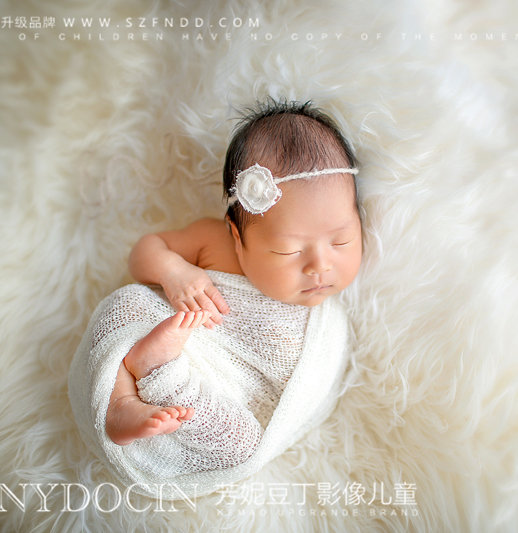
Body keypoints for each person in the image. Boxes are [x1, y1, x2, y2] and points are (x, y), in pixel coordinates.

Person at [101, 99, 363, 472]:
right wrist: (173, 271)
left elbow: (303, 400)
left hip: (217, 398)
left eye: (341, 241)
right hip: (181, 344)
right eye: (288, 250)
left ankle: (163, 377)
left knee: (241, 445)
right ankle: (121, 401)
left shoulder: (327, 330)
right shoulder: (214, 243)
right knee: (125, 306)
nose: (320, 265)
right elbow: (145, 252)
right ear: (237, 237)